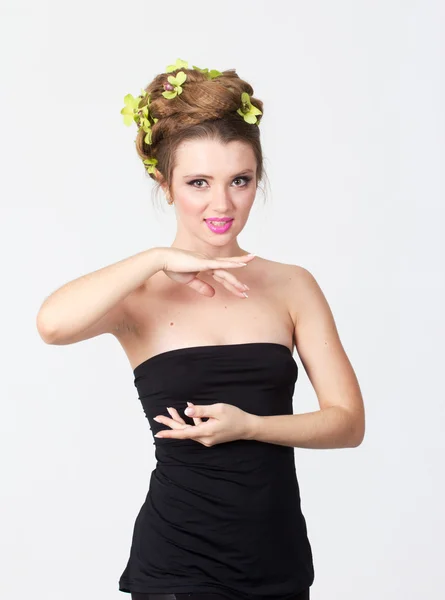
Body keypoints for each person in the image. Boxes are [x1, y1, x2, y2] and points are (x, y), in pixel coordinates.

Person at [36, 58, 365, 600]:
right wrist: (157, 259)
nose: (223, 204)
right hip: (177, 565)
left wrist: (251, 426)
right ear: (164, 184)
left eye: (241, 180)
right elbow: (51, 325)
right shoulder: (138, 295)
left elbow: (347, 423)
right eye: (198, 183)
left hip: (278, 559)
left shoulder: (292, 285)